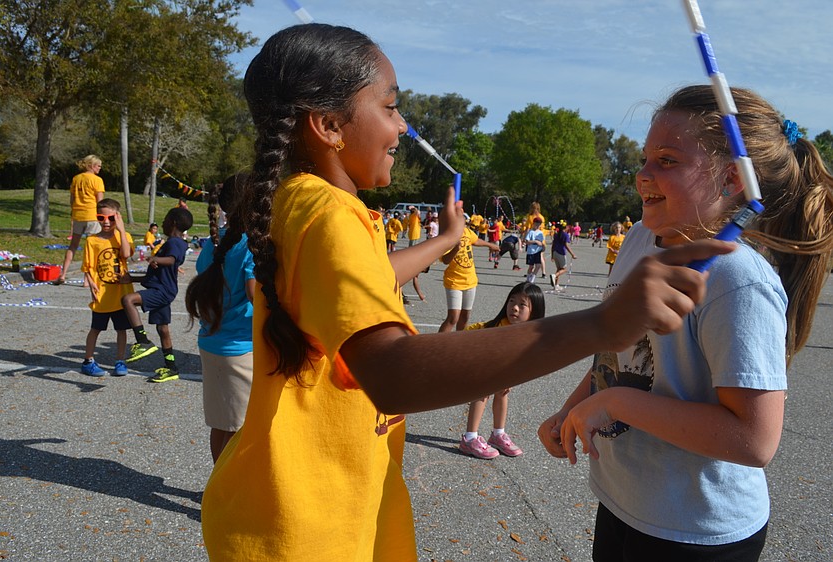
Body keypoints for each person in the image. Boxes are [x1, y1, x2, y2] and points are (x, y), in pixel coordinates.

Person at [200, 24, 732, 560]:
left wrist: (448, 239)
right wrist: (602, 324)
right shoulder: (333, 215)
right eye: (390, 107)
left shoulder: (301, 202)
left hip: (287, 507)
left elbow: (364, 280)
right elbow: (393, 374)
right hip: (311, 526)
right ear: (330, 126)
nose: (403, 127)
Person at [537, 85, 833, 561]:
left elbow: (755, 439)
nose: (641, 175)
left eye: (667, 161)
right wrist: (576, 406)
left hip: (696, 531)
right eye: (644, 157)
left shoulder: (736, 279)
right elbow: (618, 353)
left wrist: (616, 403)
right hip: (624, 503)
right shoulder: (640, 239)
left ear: (732, 179)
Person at [185, 175, 256, 462]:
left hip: (211, 344)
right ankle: (231, 497)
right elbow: (255, 294)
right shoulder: (252, 245)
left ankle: (217, 487)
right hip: (241, 350)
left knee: (221, 424)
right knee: (243, 430)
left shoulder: (214, 244)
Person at [459, 282, 545, 459]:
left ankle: (498, 434)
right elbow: (492, 359)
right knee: (483, 392)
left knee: (502, 393)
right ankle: (469, 439)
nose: (514, 307)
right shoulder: (502, 329)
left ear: (534, 311)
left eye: (522, 304)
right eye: (511, 301)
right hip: (476, 355)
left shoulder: (529, 332)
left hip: (496, 365)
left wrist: (510, 379)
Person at [121, 206, 193, 383]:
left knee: (128, 300)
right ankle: (171, 368)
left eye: (165, 219)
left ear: (173, 223)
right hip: (163, 288)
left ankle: (142, 340)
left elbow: (171, 260)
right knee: (163, 329)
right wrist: (131, 278)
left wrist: (156, 259)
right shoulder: (172, 243)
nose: (162, 223)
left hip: (162, 291)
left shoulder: (174, 243)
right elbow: (157, 275)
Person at [79, 198, 134, 377]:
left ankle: (120, 360)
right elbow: (88, 267)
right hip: (102, 294)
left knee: (121, 329)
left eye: (110, 218)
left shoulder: (123, 237)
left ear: (117, 217)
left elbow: (126, 254)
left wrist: (122, 230)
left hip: (121, 295)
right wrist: (90, 283)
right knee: (96, 329)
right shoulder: (92, 240)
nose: (106, 222)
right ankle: (88, 361)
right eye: (101, 218)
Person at [437, 221, 499, 332]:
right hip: (454, 281)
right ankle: (438, 345)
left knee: (465, 316)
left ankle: (459, 343)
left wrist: (490, 245)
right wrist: (455, 249)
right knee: (453, 317)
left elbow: (476, 240)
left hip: (470, 280)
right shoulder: (448, 235)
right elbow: (445, 260)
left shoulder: (466, 231)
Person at [54, 155, 105, 285]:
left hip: (78, 215)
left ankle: (63, 274)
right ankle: (87, 279)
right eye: (98, 166)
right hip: (92, 216)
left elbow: (72, 199)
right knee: (91, 248)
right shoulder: (97, 180)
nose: (100, 168)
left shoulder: (76, 179)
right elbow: (100, 201)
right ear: (92, 166)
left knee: (73, 246)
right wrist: (102, 217)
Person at [549, 220, 577, 289]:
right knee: (564, 269)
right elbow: (566, 245)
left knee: (558, 268)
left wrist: (552, 255)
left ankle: (556, 285)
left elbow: (553, 245)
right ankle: (554, 275)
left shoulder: (556, 234)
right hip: (561, 253)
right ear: (566, 227)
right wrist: (572, 254)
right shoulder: (565, 235)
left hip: (555, 252)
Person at [523, 217, 545, 283]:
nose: (537, 226)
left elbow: (542, 242)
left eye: (538, 225)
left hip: (538, 251)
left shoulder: (540, 233)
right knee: (531, 266)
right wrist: (535, 241)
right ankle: (528, 278)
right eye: (536, 224)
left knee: (538, 266)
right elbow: (527, 242)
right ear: (533, 224)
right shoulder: (531, 232)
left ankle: (532, 278)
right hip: (531, 251)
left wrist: (543, 246)